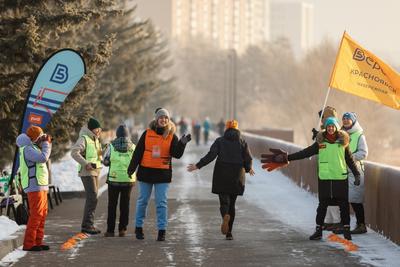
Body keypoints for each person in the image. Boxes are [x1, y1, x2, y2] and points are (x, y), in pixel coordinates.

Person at [261, 117, 360, 240]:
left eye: (332, 126)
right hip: (325, 178)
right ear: (326, 128)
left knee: (343, 205)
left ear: (336, 128)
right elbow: (305, 153)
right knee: (322, 206)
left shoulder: (343, 142)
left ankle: (346, 230)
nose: (330, 128)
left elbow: (349, 159)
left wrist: (356, 174)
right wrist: (287, 158)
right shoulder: (320, 142)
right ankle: (318, 230)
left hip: (340, 178)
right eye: (328, 126)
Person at [127, 108, 191, 241]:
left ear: (169, 120)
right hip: (146, 173)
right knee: (142, 201)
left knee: (161, 203)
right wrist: (131, 168)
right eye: (161, 117)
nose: (163, 120)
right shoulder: (147, 133)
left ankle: (162, 231)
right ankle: (138, 227)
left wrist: (182, 144)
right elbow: (138, 152)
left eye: (166, 118)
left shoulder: (172, 136)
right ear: (156, 119)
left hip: (162, 174)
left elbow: (176, 154)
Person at [187, 120, 254, 240]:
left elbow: (211, 155)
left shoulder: (220, 141)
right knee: (232, 204)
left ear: (226, 129)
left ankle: (225, 216)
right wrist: (248, 169)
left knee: (224, 202)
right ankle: (229, 233)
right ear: (237, 129)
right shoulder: (242, 141)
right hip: (237, 175)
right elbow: (248, 158)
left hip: (222, 174)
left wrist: (198, 165)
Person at [16, 126, 52, 251]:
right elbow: (43, 158)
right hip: (34, 186)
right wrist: (47, 144)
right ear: (34, 138)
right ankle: (29, 244)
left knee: (42, 214)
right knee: (36, 215)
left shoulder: (33, 147)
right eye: (40, 137)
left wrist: (43, 144)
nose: (42, 139)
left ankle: (37, 241)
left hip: (40, 185)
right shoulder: (27, 149)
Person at [103, 125, 136, 237]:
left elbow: (105, 162)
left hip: (114, 179)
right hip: (128, 179)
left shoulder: (111, 146)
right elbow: (136, 162)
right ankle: (122, 229)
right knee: (125, 205)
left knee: (112, 205)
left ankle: (110, 230)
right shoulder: (132, 147)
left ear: (117, 134)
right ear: (127, 134)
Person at [71, 117, 103, 235]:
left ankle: (89, 224)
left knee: (94, 198)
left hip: (96, 172)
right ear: (91, 129)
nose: (98, 131)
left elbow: (98, 155)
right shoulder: (84, 138)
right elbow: (74, 152)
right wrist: (86, 163)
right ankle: (87, 225)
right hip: (87, 172)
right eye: (96, 129)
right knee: (92, 196)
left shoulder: (96, 139)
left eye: (99, 129)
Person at [341, 112, 368, 234]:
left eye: (348, 119)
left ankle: (361, 225)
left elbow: (363, 153)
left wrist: (349, 157)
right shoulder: (340, 133)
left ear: (353, 121)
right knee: (343, 199)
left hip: (355, 172)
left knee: (355, 200)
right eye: (344, 118)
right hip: (342, 170)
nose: (346, 120)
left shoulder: (359, 135)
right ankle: (344, 225)